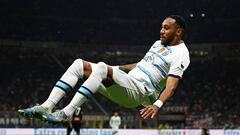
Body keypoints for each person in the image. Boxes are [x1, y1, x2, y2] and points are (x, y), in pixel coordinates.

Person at [18, 15, 190, 123]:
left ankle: (66, 113)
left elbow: (172, 85)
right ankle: (47, 106)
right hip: (127, 82)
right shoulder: (157, 44)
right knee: (79, 64)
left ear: (178, 32)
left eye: (166, 28)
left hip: (140, 92)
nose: (161, 31)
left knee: (100, 67)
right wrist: (112, 70)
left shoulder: (181, 53)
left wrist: (157, 105)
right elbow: (140, 65)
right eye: (161, 27)